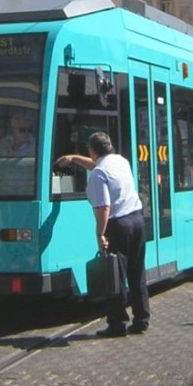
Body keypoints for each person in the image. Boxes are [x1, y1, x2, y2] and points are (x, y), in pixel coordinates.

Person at [56, 132, 150, 338]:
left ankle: (117, 324)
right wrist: (74, 158)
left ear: (92, 150)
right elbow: (96, 165)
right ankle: (142, 319)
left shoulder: (99, 174)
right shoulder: (120, 161)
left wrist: (100, 233)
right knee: (137, 272)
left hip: (118, 225)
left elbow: (104, 207)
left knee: (116, 275)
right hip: (137, 220)